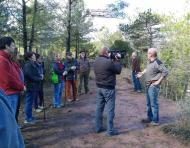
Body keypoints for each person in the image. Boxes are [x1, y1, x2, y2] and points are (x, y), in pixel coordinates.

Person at [94, 47, 122, 136]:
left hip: (99, 87)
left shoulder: (96, 60)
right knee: (110, 109)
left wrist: (111, 58)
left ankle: (98, 127)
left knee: (99, 108)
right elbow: (118, 71)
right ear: (106, 53)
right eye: (109, 52)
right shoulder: (108, 62)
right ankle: (110, 131)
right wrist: (117, 60)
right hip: (108, 88)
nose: (110, 53)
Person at [137, 48, 169, 126]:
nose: (147, 54)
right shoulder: (150, 62)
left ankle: (155, 121)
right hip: (148, 85)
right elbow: (147, 69)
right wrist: (141, 73)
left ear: (151, 54)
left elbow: (166, 71)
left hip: (153, 86)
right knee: (149, 103)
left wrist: (158, 81)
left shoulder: (158, 62)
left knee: (154, 104)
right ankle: (150, 118)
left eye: (148, 53)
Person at [0, 37, 25, 117]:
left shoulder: (8, 59)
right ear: (7, 46)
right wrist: (21, 87)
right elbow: (9, 80)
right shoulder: (2, 59)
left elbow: (16, 75)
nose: (14, 47)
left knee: (12, 118)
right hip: (8, 94)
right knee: (9, 120)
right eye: (13, 45)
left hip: (13, 92)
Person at [23, 52, 43, 123]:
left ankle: (30, 116)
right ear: (30, 57)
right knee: (29, 102)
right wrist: (39, 78)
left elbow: (34, 73)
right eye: (34, 55)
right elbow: (29, 75)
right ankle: (27, 118)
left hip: (33, 86)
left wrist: (40, 76)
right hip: (30, 86)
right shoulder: (28, 65)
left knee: (30, 102)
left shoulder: (32, 64)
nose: (35, 56)